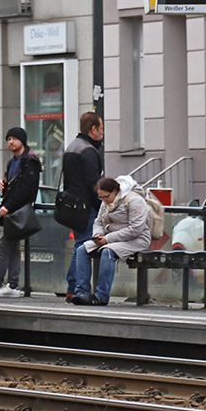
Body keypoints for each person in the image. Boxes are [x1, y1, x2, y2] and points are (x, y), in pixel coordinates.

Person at [0, 126, 41, 298]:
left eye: (14, 139)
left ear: (22, 141)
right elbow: (13, 185)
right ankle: (12, 285)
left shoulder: (30, 160)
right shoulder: (13, 162)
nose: (10, 142)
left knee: (3, 246)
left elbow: (26, 189)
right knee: (13, 248)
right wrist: (3, 185)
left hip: (18, 211)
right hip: (13, 212)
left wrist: (7, 206)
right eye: (8, 139)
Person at [72, 175, 151, 306]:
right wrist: (98, 234)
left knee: (107, 252)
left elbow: (135, 229)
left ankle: (101, 296)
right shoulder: (106, 202)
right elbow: (98, 222)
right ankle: (82, 292)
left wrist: (107, 239)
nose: (104, 200)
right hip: (111, 238)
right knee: (82, 250)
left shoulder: (135, 200)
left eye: (106, 197)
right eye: (101, 197)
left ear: (115, 191)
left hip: (137, 239)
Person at [61, 111, 105, 301]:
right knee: (84, 247)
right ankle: (77, 288)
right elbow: (94, 184)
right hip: (86, 207)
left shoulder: (71, 147)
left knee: (79, 245)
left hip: (72, 206)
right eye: (101, 129)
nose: (102, 133)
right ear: (93, 129)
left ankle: (73, 287)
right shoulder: (88, 151)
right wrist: (103, 206)